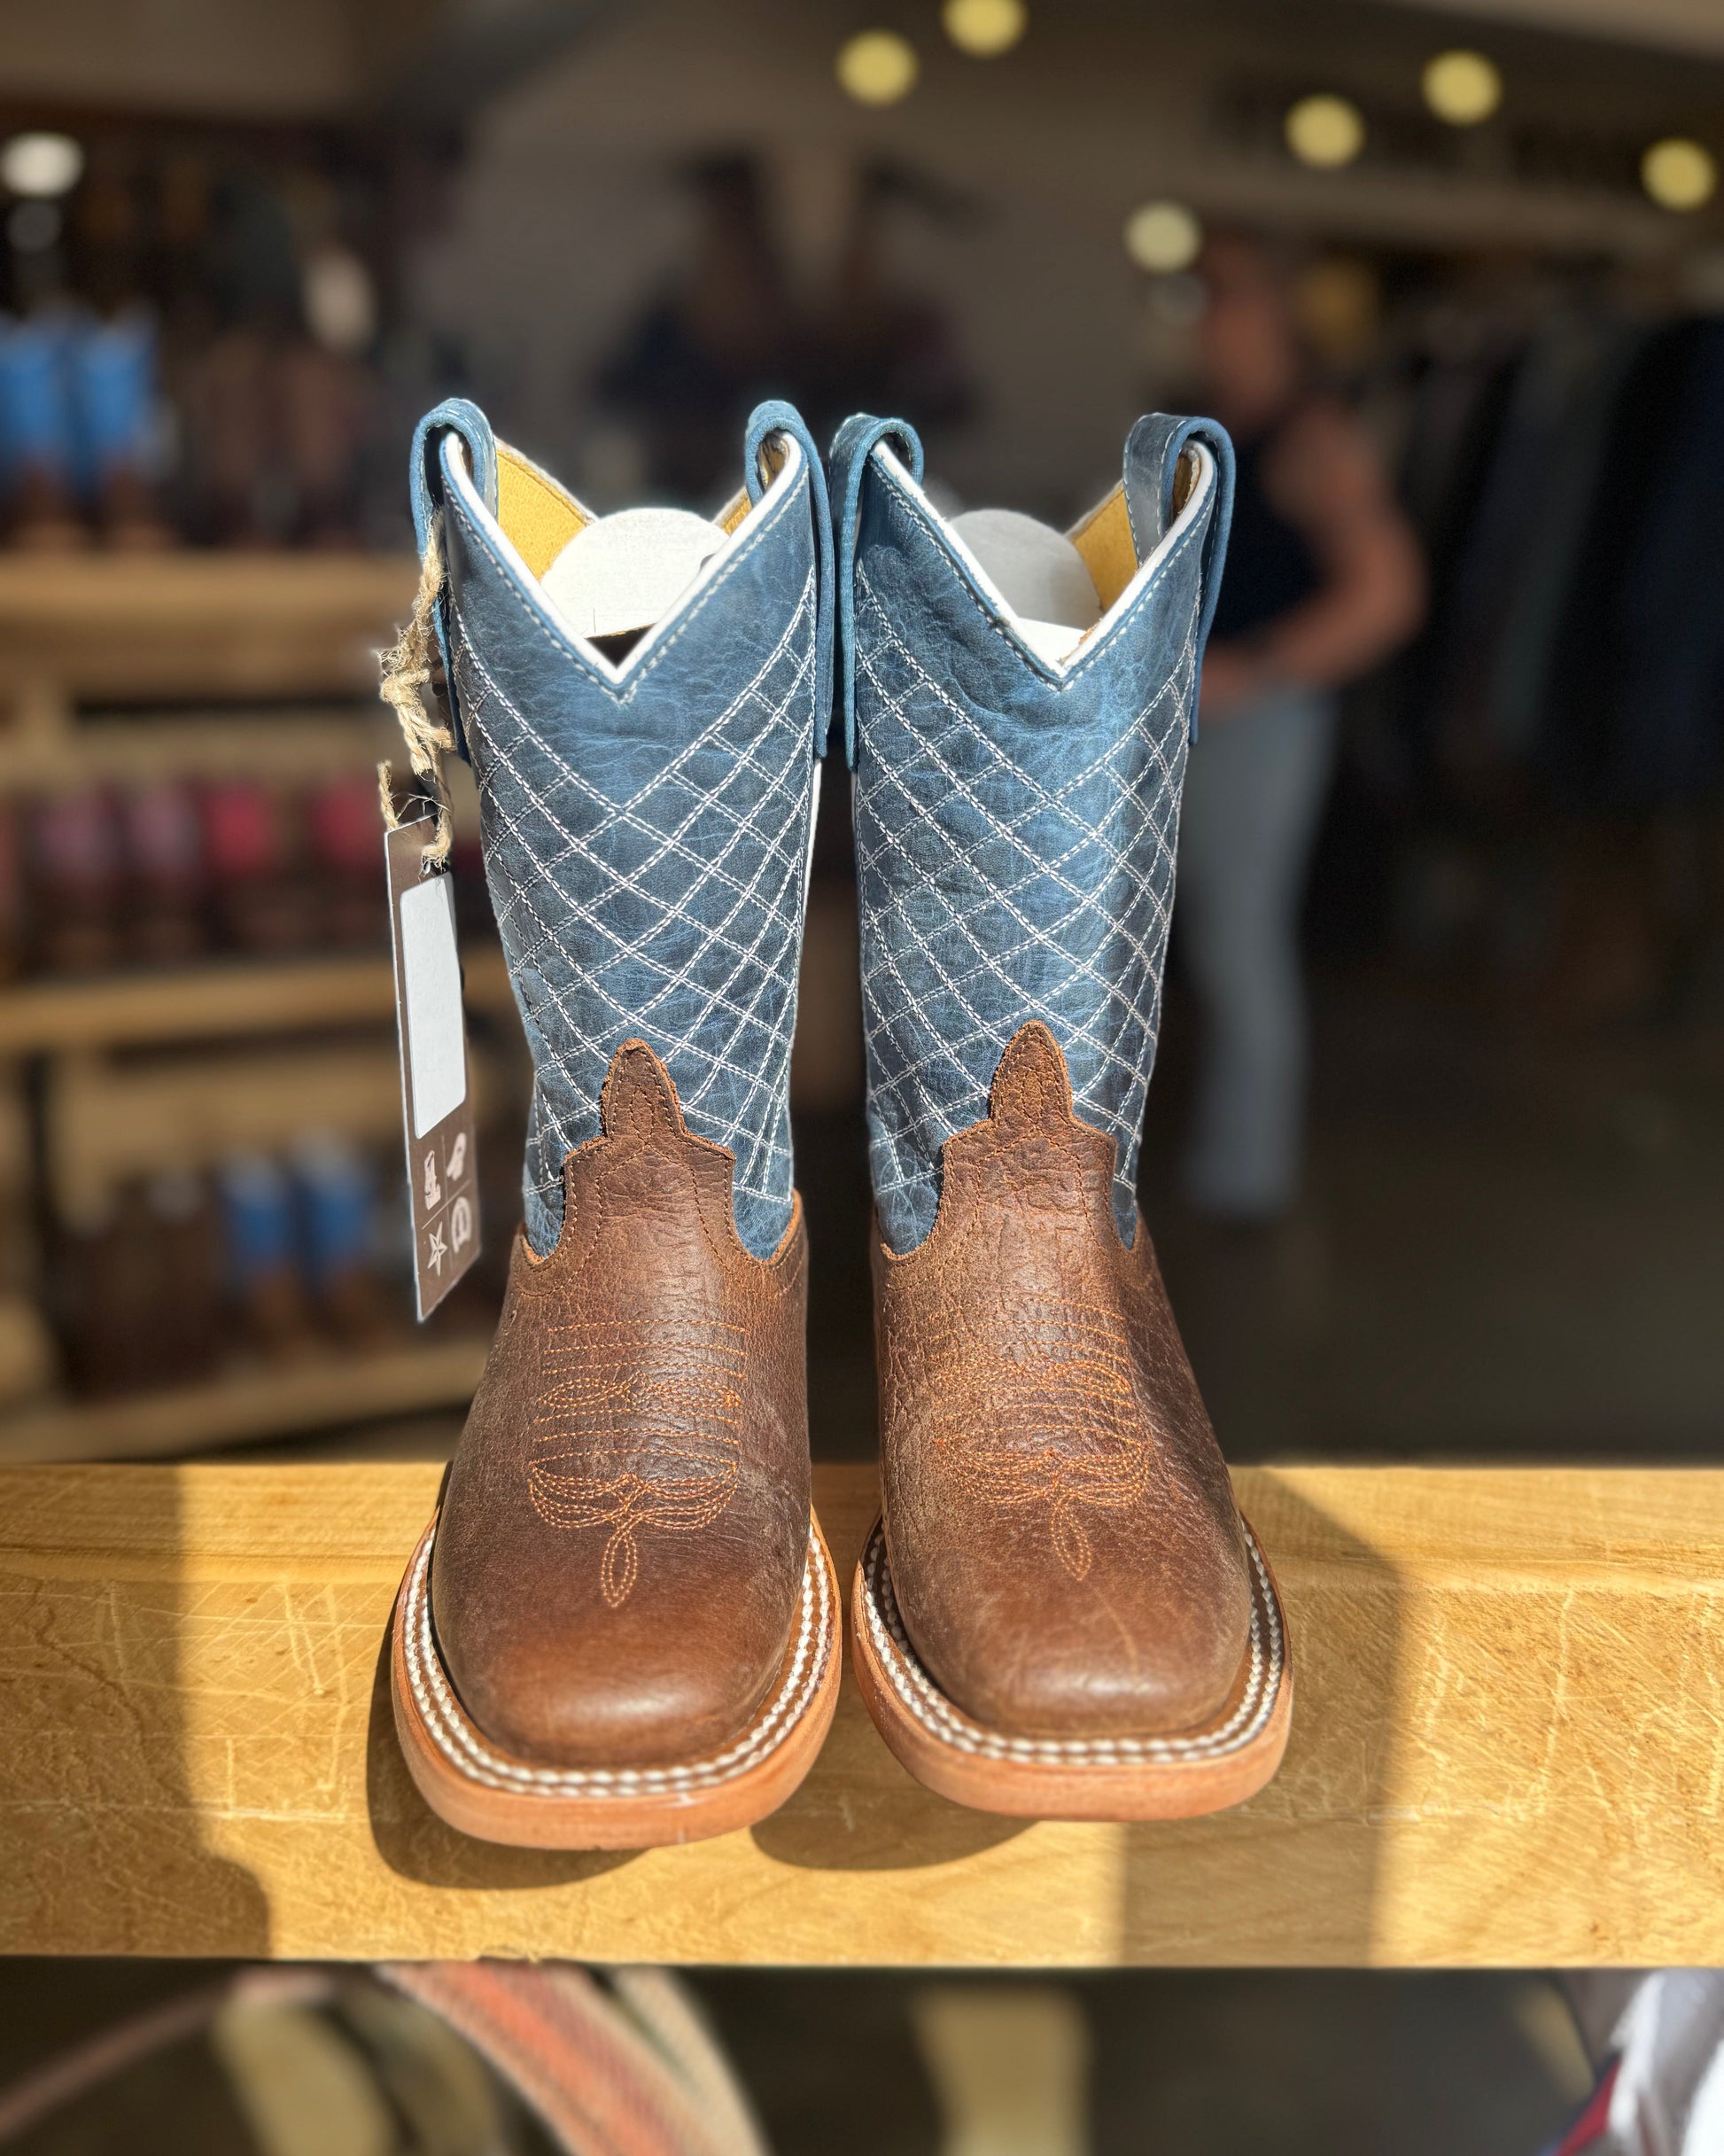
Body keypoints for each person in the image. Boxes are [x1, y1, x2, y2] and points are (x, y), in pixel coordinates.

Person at [1177, 234, 1424, 1219]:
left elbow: (1388, 594)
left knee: (1238, 943)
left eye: (1225, 297)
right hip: (1202, 718)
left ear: (1274, 312)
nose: (1205, 316)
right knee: (1201, 942)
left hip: (1261, 723)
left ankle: (1245, 1176)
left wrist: (1258, 669)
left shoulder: (1310, 436)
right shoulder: (1214, 426)